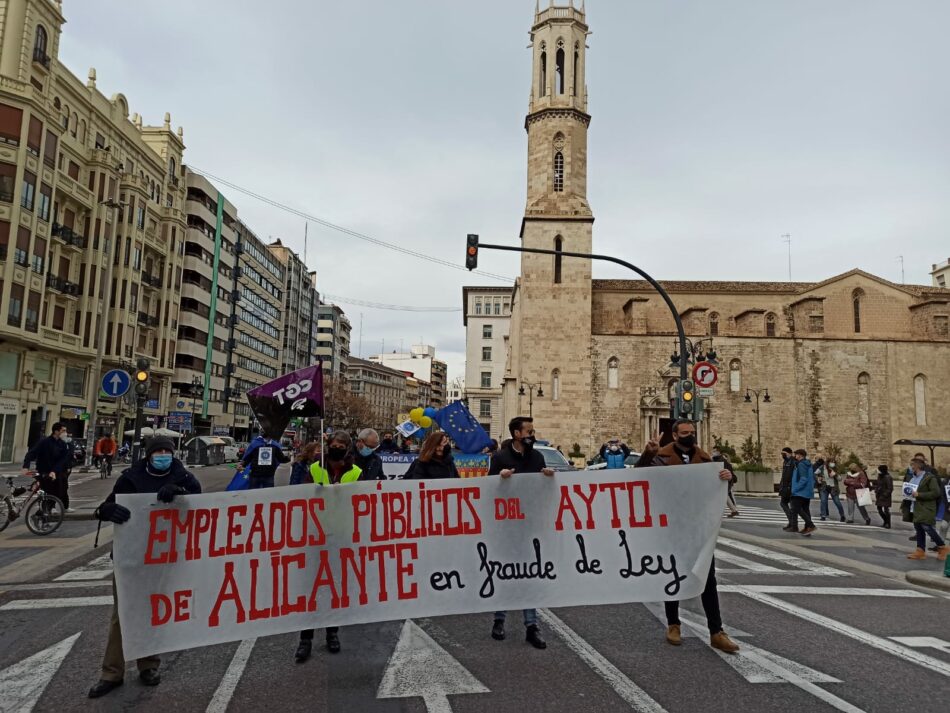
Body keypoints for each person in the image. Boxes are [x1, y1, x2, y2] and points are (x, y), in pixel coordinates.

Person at [87, 437, 201, 698]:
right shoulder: (130, 477)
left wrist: (180, 495)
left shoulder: (183, 477)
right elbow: (104, 506)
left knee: (152, 610)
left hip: (164, 556)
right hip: (131, 555)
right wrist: (108, 510)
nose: (163, 455)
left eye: (166, 451)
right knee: (122, 614)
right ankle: (111, 672)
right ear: (149, 455)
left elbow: (201, 505)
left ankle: (149, 665)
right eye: (158, 451)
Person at [636, 420, 740, 654]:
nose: (689, 436)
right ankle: (673, 624)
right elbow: (639, 476)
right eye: (685, 433)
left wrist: (727, 476)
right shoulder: (660, 457)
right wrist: (647, 453)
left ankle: (717, 631)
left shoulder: (705, 460)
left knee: (708, 578)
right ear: (674, 435)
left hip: (698, 528)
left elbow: (722, 483)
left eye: (692, 432)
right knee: (672, 575)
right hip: (671, 525)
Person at [487, 416, 555, 650]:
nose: (531, 434)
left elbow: (543, 492)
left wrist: (547, 478)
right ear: (517, 434)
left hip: (530, 525)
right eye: (528, 430)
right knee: (505, 571)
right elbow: (488, 489)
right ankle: (499, 619)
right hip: (506, 525)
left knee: (528, 573)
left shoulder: (537, 457)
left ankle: (531, 625)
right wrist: (500, 479)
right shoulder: (500, 457)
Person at [295, 431, 363, 662]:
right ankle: (306, 639)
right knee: (311, 590)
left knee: (334, 588)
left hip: (341, 536)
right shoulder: (315, 469)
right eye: (333, 444)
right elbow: (296, 496)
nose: (336, 447)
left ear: (347, 448)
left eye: (341, 444)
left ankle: (332, 633)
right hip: (315, 536)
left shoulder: (356, 472)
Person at [902, 456, 949, 561]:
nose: (911, 467)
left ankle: (942, 547)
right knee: (918, 528)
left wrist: (919, 494)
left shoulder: (929, 478)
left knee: (927, 527)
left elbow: (936, 493)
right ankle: (920, 550)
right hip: (915, 507)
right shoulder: (913, 477)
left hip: (926, 508)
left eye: (912, 465)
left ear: (917, 466)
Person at [22, 422, 71, 510]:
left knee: (62, 489)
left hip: (57, 472)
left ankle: (52, 509)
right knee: (49, 491)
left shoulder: (63, 444)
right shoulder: (44, 442)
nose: (65, 433)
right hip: (44, 471)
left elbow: (62, 459)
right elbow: (32, 453)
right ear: (56, 431)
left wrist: (54, 471)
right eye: (63, 430)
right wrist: (26, 466)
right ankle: (45, 512)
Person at [789, 449, 816, 535]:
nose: (795, 456)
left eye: (796, 454)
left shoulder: (801, 464)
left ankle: (811, 525)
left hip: (800, 491)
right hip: (807, 491)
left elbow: (803, 479)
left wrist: (795, 489)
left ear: (800, 455)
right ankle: (807, 528)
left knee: (796, 508)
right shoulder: (808, 464)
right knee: (805, 509)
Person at [712, 446, 739, 517]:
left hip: (725, 481)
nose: (713, 452)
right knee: (725, 496)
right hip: (722, 481)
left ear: (719, 452)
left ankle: (734, 510)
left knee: (726, 496)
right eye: (713, 451)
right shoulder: (717, 460)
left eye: (715, 451)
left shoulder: (722, 461)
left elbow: (730, 473)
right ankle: (734, 510)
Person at [778, 447, 796, 531]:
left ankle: (793, 523)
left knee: (790, 505)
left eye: (784, 453)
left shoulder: (793, 462)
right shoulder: (785, 462)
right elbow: (784, 475)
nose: (782, 455)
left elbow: (792, 475)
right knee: (783, 503)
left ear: (789, 453)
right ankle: (791, 522)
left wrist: (790, 486)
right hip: (785, 486)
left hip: (790, 487)